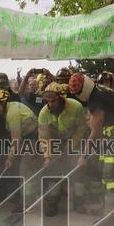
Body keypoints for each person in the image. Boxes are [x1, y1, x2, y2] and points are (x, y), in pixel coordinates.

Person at [68, 71, 114, 225]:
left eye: (78, 93)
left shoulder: (95, 99)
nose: (77, 96)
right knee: (104, 171)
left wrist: (83, 156)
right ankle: (107, 208)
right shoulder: (98, 91)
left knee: (111, 172)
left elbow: (95, 131)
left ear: (84, 89)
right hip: (111, 134)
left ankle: (112, 216)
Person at [37, 82, 89, 216]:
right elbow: (44, 138)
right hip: (56, 141)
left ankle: (80, 203)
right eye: (48, 101)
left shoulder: (75, 107)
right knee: (54, 171)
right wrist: (47, 157)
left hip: (76, 138)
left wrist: (71, 147)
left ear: (61, 98)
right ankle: (52, 204)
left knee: (77, 171)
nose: (51, 104)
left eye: (53, 101)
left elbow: (81, 129)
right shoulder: (44, 113)